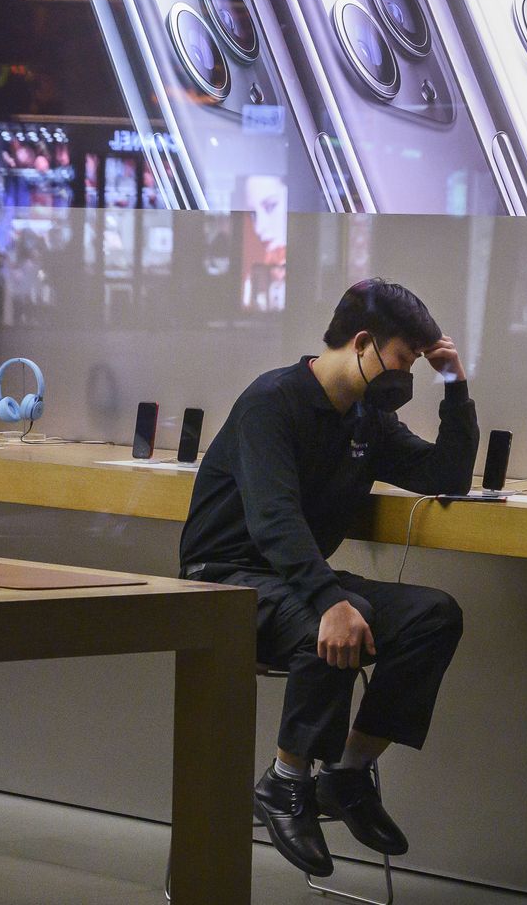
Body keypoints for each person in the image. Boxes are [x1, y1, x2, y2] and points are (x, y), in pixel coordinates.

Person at [178, 278, 475, 876]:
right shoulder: (272, 401)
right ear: (363, 343)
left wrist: (455, 386)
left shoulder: (366, 419)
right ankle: (286, 783)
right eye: (403, 360)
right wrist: (331, 600)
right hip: (223, 578)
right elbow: (272, 521)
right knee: (333, 620)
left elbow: (447, 475)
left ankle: (346, 776)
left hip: (294, 578)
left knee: (433, 616)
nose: (407, 375)